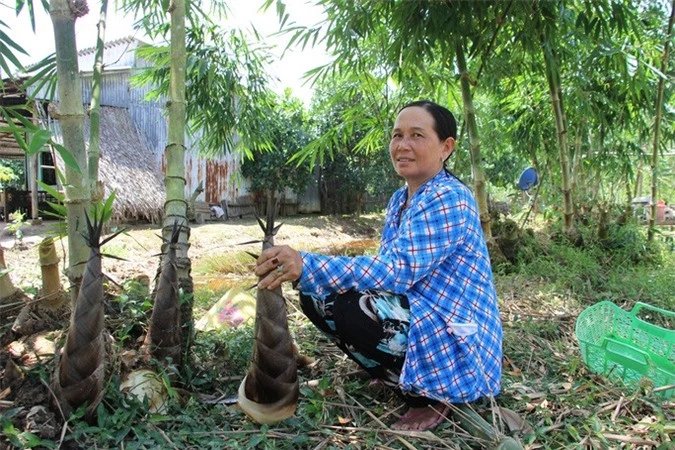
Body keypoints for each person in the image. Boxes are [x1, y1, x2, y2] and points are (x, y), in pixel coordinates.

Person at [254, 100, 503, 432]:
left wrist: (308, 264)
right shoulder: (401, 200)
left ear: (446, 147)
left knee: (355, 307)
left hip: (453, 332)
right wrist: (314, 274)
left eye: (417, 135)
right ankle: (397, 375)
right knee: (317, 295)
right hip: (420, 312)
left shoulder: (449, 197)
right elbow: (383, 272)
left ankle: (432, 396)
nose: (402, 145)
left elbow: (396, 271)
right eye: (397, 135)